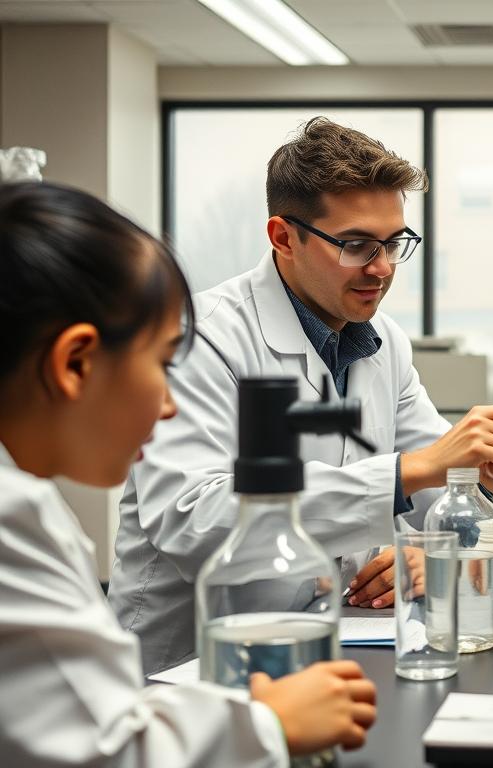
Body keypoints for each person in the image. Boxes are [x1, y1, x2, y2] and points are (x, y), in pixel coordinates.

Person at [110, 117, 493, 673]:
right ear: (283, 237)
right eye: (357, 245)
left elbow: (444, 493)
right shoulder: (202, 339)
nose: (383, 268)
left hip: (333, 648)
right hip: (187, 674)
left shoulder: (384, 344)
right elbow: (195, 522)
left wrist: (443, 523)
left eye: (394, 243)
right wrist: (405, 475)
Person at [0, 181, 377, 766]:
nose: (168, 403)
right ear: (74, 363)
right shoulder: (10, 516)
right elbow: (106, 752)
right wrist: (269, 725)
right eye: (160, 361)